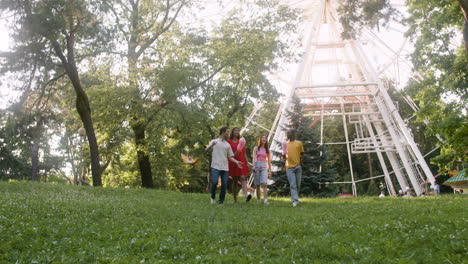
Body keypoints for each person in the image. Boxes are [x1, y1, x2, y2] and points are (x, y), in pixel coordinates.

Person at [206, 127, 242, 205]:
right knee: (215, 182)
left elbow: (230, 157)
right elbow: (206, 150)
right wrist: (211, 145)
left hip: (225, 167)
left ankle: (221, 202)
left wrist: (236, 162)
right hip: (215, 166)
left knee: (224, 184)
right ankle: (212, 197)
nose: (228, 134)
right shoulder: (214, 141)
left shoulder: (227, 145)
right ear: (223, 132)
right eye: (227, 132)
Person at [227, 127, 252, 203]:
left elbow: (244, 153)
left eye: (238, 130)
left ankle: (246, 195)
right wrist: (235, 154)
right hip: (233, 162)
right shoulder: (229, 142)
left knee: (243, 178)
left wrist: (247, 163)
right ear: (232, 132)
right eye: (235, 130)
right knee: (234, 182)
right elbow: (228, 154)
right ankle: (235, 200)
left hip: (241, 162)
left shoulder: (241, 141)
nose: (237, 131)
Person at [282, 129, 304, 207]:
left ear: (293, 134)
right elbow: (284, 157)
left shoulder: (299, 143)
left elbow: (302, 154)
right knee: (293, 185)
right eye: (287, 133)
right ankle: (295, 201)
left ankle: (295, 198)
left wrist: (301, 163)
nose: (287, 135)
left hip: (298, 166)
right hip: (289, 167)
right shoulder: (285, 144)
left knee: (298, 184)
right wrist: (284, 155)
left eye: (288, 133)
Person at [252, 135, 272, 205]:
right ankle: (258, 200)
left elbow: (269, 161)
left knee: (264, 183)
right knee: (257, 184)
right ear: (260, 139)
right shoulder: (256, 148)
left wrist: (270, 171)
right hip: (257, 166)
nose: (264, 139)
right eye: (263, 138)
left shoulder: (268, 150)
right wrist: (253, 166)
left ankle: (266, 200)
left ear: (266, 141)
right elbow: (254, 158)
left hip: (264, 166)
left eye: (265, 139)